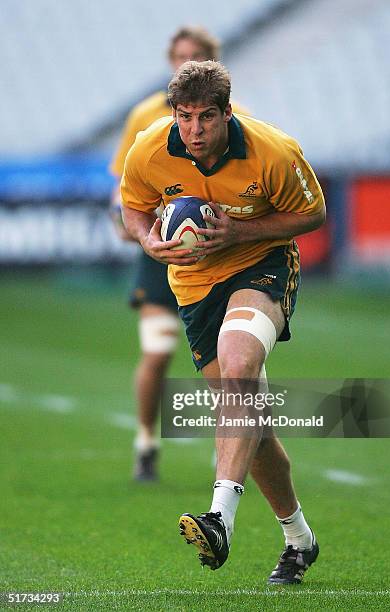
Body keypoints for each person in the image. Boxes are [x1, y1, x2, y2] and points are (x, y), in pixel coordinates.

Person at [121, 61, 325, 584]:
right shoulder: (148, 149)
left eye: (206, 117)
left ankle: (220, 519)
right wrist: (149, 240)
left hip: (263, 265)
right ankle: (299, 540)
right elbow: (134, 208)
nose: (194, 130)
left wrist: (239, 233)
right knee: (250, 424)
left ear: (226, 113)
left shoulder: (273, 151)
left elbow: (312, 213)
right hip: (193, 288)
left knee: (239, 361)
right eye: (185, 117)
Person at [110, 26, 248, 481]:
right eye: (179, 56)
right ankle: (146, 444)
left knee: (228, 359)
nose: (184, 63)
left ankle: (224, 453)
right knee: (158, 351)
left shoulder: (237, 120)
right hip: (161, 252)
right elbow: (125, 192)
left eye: (196, 56)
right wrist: (136, 229)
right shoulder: (145, 119)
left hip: (219, 259)